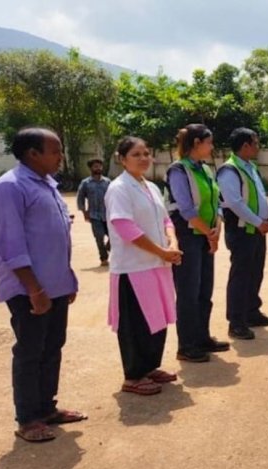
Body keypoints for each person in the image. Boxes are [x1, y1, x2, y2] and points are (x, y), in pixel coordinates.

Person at [0, 127, 85, 442]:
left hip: (55, 285)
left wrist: (67, 279)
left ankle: (47, 408)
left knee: (52, 347)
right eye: (55, 151)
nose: (60, 157)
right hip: (29, 290)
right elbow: (10, 244)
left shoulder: (48, 184)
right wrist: (35, 289)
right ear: (32, 154)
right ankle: (28, 418)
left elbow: (58, 236)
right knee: (30, 352)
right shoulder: (10, 188)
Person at [106, 137, 182, 395]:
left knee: (157, 317)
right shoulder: (119, 188)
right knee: (136, 323)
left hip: (157, 264)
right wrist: (161, 250)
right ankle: (134, 374)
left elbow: (166, 221)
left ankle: (150, 366)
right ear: (122, 158)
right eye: (136, 154)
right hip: (133, 267)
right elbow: (125, 227)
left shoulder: (150, 186)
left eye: (146, 153)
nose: (143, 158)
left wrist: (171, 243)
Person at [165, 123, 229, 362]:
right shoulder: (178, 171)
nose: (212, 147)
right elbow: (186, 209)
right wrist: (208, 233)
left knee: (204, 290)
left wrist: (216, 230)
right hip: (188, 235)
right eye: (209, 142)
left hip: (205, 234)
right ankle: (187, 345)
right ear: (196, 143)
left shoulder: (205, 169)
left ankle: (202, 337)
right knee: (188, 292)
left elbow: (217, 202)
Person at [217, 128, 268, 341]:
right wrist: (258, 222)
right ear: (245, 146)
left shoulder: (250, 167)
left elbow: (258, 196)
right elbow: (234, 203)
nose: (258, 147)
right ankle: (236, 322)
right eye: (256, 143)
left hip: (257, 230)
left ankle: (252, 312)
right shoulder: (229, 171)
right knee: (241, 277)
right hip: (242, 231)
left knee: (255, 273)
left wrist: (265, 220)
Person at [76, 158, 111, 266]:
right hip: (94, 215)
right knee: (99, 236)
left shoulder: (107, 182)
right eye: (95, 166)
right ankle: (103, 258)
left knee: (114, 236)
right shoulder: (86, 183)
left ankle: (107, 247)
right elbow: (80, 198)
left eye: (100, 166)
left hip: (108, 215)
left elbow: (113, 197)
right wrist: (84, 212)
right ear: (91, 168)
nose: (98, 168)